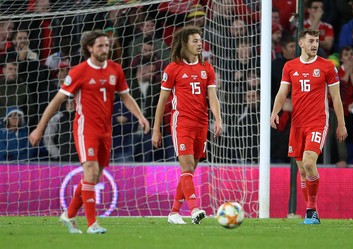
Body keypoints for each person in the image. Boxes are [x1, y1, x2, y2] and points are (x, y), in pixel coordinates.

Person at [29, 31, 150, 234]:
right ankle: (92, 224)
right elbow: (57, 101)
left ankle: (68, 215)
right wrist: (39, 128)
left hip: (106, 130)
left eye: (107, 45)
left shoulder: (115, 70)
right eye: (100, 46)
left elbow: (126, 97)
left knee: (93, 177)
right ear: (89, 48)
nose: (105, 49)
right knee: (91, 171)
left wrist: (141, 116)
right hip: (86, 129)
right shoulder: (79, 72)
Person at [270, 29, 348, 225]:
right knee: (303, 171)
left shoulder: (328, 67)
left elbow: (336, 98)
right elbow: (282, 93)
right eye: (311, 41)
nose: (315, 44)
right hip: (297, 125)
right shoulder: (290, 66)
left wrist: (341, 123)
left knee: (308, 163)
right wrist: (274, 112)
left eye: (317, 41)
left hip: (317, 122)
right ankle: (310, 212)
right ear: (301, 43)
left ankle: (312, 209)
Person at [151, 26, 222, 225]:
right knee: (187, 167)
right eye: (195, 41)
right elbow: (162, 101)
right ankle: (194, 209)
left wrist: (218, 118)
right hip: (181, 124)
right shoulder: (173, 68)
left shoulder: (206, 68)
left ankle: (174, 213)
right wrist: (156, 129)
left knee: (189, 171)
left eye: (200, 40)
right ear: (185, 44)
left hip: (201, 124)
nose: (200, 44)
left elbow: (212, 97)